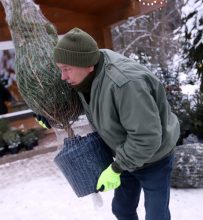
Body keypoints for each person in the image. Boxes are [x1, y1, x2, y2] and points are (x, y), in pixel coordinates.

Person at [40, 27, 180, 220]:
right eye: (60, 69)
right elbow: (93, 102)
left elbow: (147, 138)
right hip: (126, 153)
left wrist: (116, 168)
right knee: (122, 210)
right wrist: (51, 115)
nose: (63, 76)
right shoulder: (87, 71)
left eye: (66, 69)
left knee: (156, 215)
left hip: (156, 156)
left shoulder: (125, 84)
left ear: (88, 65)